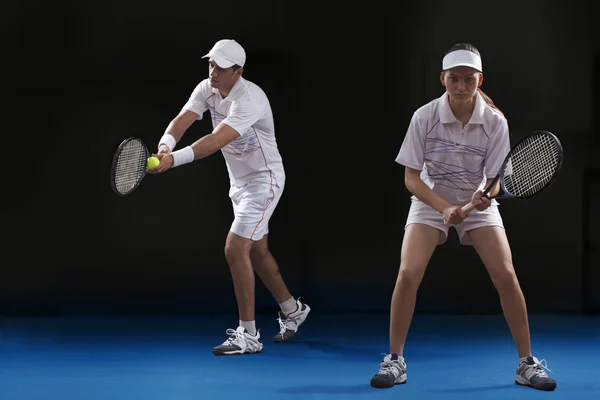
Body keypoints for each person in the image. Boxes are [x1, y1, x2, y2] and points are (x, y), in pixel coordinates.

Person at [369, 43, 557, 391]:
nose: (460, 86)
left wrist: (485, 194)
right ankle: (394, 360)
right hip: (429, 200)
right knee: (408, 272)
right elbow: (411, 177)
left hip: (476, 201)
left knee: (506, 274)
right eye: (453, 79)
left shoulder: (495, 121)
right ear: (442, 79)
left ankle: (526, 363)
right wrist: (442, 207)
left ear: (479, 79)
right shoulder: (423, 117)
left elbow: (497, 178)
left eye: (468, 79)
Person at [147, 39, 311, 356]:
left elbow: (215, 139)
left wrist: (173, 160)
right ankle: (293, 310)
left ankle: (248, 334)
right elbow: (183, 119)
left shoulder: (250, 99)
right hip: (239, 184)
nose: (213, 72)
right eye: (211, 64)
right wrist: (166, 145)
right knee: (258, 252)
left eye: (221, 68)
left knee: (235, 247)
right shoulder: (206, 88)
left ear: (238, 72)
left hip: (265, 181)